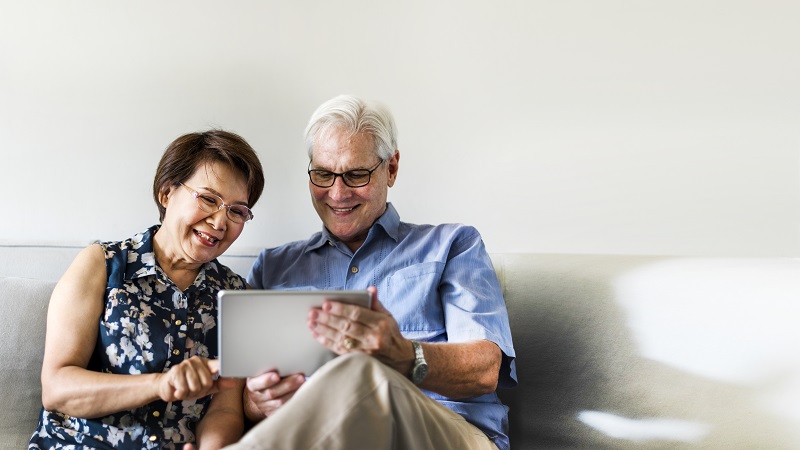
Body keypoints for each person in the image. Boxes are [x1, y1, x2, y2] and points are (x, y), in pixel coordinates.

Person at [232, 95, 517, 450]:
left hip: (448, 434)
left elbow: (485, 370)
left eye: (355, 175)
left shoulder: (453, 246)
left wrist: (405, 356)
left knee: (359, 370)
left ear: (391, 169)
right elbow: (240, 396)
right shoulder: (272, 268)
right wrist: (255, 404)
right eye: (322, 174)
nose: (337, 193)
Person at [28, 130, 265, 450]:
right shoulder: (102, 264)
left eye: (237, 211)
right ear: (167, 193)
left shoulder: (236, 294)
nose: (220, 222)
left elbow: (224, 409)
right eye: (209, 199)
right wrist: (160, 384)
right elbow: (57, 389)